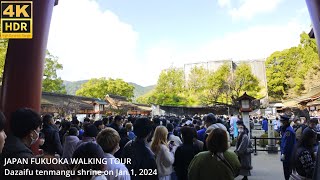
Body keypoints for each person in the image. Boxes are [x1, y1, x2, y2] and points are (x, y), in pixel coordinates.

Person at [1, 108, 42, 173]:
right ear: (32, 133)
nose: (40, 130)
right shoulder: (25, 160)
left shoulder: (6, 146)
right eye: (39, 128)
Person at [280, 114, 296, 180]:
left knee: (287, 172)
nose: (281, 123)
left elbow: (287, 144)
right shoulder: (287, 130)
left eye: (282, 122)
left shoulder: (288, 131)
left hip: (288, 155)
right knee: (287, 172)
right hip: (288, 155)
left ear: (286, 122)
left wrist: (284, 153)